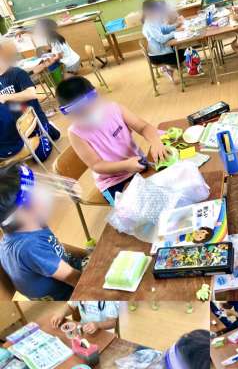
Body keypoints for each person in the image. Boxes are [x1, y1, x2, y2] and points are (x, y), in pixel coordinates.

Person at [55, 76, 168, 205]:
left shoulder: (114, 109)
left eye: (90, 109)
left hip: (139, 165)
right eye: (80, 114)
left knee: (166, 187)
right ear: (68, 115)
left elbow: (143, 127)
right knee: (140, 206)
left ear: (97, 97)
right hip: (112, 182)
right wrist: (126, 165)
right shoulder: (75, 133)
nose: (87, 115)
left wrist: (156, 142)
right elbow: (97, 165)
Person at [0, 164, 85, 300]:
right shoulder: (30, 247)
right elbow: (74, 279)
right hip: (66, 293)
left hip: (65, 270)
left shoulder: (29, 223)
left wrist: (87, 254)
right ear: (23, 211)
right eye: (35, 193)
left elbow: (55, 246)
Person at [0, 36, 60, 161]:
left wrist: (6, 97)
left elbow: (31, 94)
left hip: (31, 119)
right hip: (14, 124)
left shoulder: (17, 73)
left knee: (40, 156)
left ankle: (47, 128)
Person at [142, 0, 185, 83]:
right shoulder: (149, 25)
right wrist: (175, 32)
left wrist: (176, 26)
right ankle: (173, 68)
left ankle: (176, 68)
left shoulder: (152, 20)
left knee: (182, 49)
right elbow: (161, 39)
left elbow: (163, 28)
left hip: (161, 52)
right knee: (182, 52)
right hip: (158, 56)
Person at [51, 301, 119, 333]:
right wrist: (61, 313)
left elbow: (112, 322)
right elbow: (70, 307)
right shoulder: (80, 292)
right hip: (84, 329)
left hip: (104, 332)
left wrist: (98, 325)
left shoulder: (108, 300)